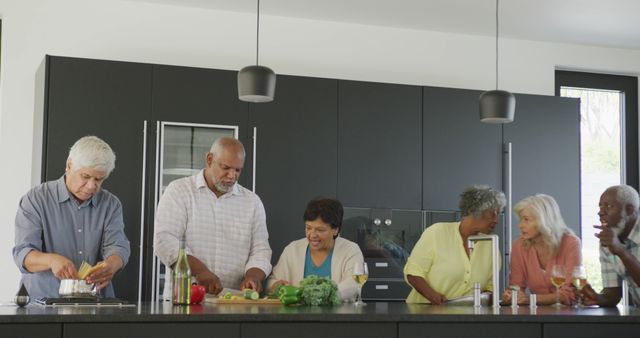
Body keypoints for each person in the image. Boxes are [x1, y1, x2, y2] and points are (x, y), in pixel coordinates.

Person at [12, 136, 130, 300]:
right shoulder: (36, 199)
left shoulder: (111, 204)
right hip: (42, 305)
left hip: (94, 305)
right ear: (69, 165)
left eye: (98, 179)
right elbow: (23, 254)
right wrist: (51, 261)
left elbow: (118, 246)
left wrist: (111, 265)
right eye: (85, 176)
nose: (91, 186)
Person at [154, 137, 272, 299]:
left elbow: (261, 250)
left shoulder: (252, 202)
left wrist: (253, 276)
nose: (232, 176)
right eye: (226, 168)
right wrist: (201, 271)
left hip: (234, 302)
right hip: (185, 298)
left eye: (237, 170)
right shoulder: (179, 191)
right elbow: (164, 240)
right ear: (209, 159)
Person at [404, 185, 505, 304]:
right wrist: (432, 296)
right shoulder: (436, 232)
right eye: (493, 214)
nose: (496, 220)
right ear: (474, 211)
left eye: (498, 214)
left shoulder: (491, 246)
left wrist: (494, 296)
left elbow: (490, 288)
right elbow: (413, 272)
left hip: (467, 317)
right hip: (424, 313)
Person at [267, 198, 364, 301]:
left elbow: (353, 283)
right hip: (297, 316)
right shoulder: (292, 250)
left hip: (338, 316)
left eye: (320, 230)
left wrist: (323, 294)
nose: (312, 235)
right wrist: (275, 286)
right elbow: (272, 283)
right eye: (308, 228)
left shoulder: (351, 250)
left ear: (336, 230)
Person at [502, 194, 581, 306]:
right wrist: (511, 294)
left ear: (544, 221)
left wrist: (531, 299)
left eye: (526, 220)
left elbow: (570, 293)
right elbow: (516, 286)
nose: (520, 225)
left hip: (568, 314)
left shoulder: (571, 243)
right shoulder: (519, 245)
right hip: (538, 315)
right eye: (520, 220)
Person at [581, 185, 640, 307]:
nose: (601, 212)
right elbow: (613, 294)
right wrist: (596, 297)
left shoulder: (613, 243)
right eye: (600, 206)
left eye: (608, 206)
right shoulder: (608, 240)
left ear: (629, 210)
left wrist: (620, 250)